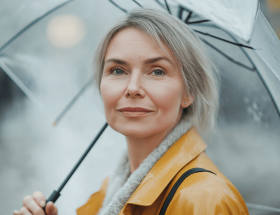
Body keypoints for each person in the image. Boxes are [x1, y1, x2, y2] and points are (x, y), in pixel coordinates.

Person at [14, 8, 249, 215]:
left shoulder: (205, 201)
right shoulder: (112, 189)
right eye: (117, 70)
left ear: (188, 93)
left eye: (157, 71)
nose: (133, 88)